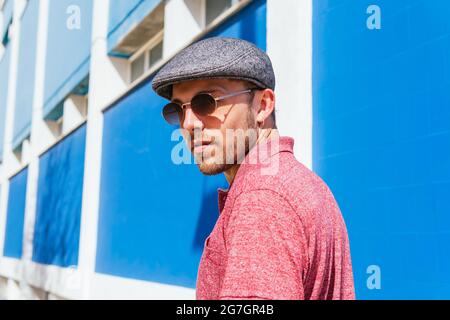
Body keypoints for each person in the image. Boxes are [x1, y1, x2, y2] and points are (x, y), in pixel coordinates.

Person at [152, 37, 355, 300]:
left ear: (262, 105)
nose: (189, 123)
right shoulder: (305, 184)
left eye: (206, 102)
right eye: (177, 109)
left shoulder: (261, 197)